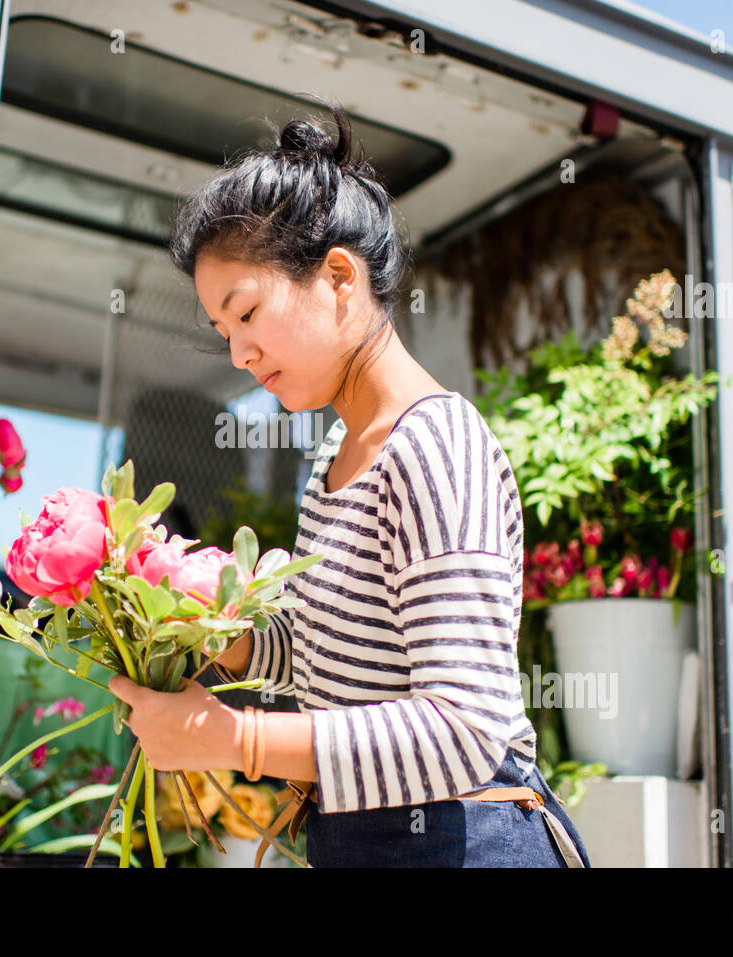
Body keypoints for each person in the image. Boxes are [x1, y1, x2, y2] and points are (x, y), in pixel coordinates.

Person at [107, 95, 591, 868]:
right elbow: (333, 656)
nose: (238, 353)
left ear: (338, 277)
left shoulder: (435, 444)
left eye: (247, 313)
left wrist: (235, 738)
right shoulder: (332, 460)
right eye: (223, 331)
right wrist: (211, 628)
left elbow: (465, 729)